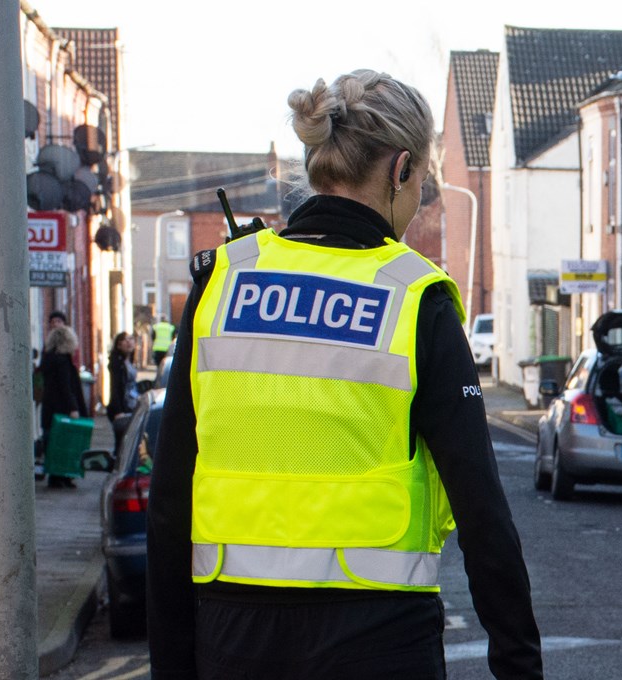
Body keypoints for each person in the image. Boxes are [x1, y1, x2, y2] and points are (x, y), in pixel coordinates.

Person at [146, 70, 543, 680]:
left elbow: (171, 497)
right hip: (379, 645)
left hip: (233, 640)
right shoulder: (416, 299)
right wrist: (519, 666)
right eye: (424, 181)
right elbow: (482, 512)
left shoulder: (222, 284)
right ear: (401, 169)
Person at [39, 312, 89, 489]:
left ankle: (60, 476)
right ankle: (60, 476)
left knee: (55, 442)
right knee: (64, 442)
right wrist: (73, 408)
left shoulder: (50, 358)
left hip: (50, 408)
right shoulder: (62, 361)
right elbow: (66, 387)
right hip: (62, 409)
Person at [106, 332, 139, 441]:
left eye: (131, 339)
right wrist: (118, 411)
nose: (129, 342)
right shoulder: (117, 363)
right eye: (125, 340)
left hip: (131, 406)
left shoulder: (129, 361)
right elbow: (115, 387)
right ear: (118, 345)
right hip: (122, 408)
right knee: (122, 441)